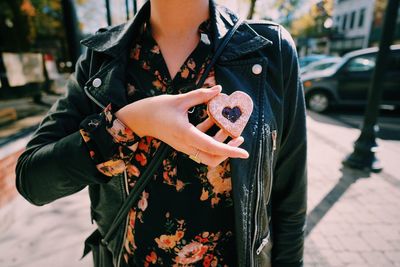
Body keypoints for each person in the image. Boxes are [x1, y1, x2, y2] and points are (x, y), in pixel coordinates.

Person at [15, 0, 307, 266]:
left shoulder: (270, 50)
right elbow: (32, 180)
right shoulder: (102, 58)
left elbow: (289, 203)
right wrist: (128, 124)